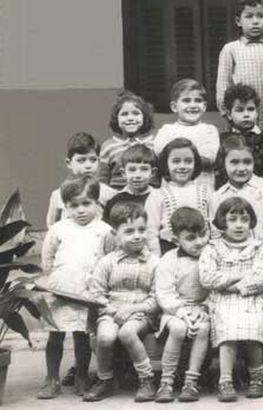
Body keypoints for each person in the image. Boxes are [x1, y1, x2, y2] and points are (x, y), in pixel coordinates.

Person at [37, 177, 115, 399]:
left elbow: (110, 259)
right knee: (55, 336)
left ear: (97, 203)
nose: (80, 210)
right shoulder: (58, 229)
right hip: (60, 290)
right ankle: (52, 378)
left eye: (86, 203)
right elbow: (47, 258)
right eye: (74, 205)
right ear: (65, 206)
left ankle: (82, 376)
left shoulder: (104, 230)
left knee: (82, 336)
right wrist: (53, 281)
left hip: (86, 292)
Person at [83, 202, 160, 402]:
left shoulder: (154, 262)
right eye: (129, 231)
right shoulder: (107, 262)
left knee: (127, 332)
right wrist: (111, 310)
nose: (137, 236)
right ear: (115, 234)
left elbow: (157, 297)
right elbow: (96, 293)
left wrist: (133, 309)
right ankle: (106, 380)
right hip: (111, 312)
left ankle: (147, 379)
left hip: (142, 314)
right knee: (105, 337)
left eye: (141, 230)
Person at [199, 197, 263, 402]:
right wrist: (237, 277)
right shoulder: (212, 248)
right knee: (229, 329)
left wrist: (234, 286)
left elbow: (262, 277)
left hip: (251, 298)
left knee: (254, 326)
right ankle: (225, 380)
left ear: (251, 222)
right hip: (222, 300)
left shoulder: (259, 247)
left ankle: (256, 378)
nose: (239, 225)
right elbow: (207, 277)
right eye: (232, 220)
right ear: (222, 221)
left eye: (244, 219)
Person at [153, 207, 210, 403]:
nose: (199, 241)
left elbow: (217, 286)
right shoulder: (169, 260)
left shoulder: (212, 255)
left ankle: (191, 382)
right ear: (176, 240)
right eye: (191, 238)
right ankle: (166, 382)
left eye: (202, 234)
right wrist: (183, 313)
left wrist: (204, 307)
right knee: (178, 328)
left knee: (203, 329)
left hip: (202, 309)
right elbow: (164, 293)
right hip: (174, 310)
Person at [216, 0, 263, 131]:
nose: (255, 21)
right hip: (241, 118)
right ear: (238, 21)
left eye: (260, 16)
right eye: (249, 16)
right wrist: (228, 115)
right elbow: (223, 87)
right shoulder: (231, 49)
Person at [212, 134, 263, 243]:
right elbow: (216, 234)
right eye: (234, 162)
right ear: (223, 163)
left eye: (247, 162)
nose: (241, 168)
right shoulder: (218, 196)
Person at [145, 138, 210, 255]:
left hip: (202, 249)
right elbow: (151, 232)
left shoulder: (206, 192)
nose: (182, 166)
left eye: (188, 161)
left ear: (195, 164)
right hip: (168, 250)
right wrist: (157, 258)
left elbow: (214, 227)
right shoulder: (157, 195)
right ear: (166, 164)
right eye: (176, 161)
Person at [153, 79, 220, 191]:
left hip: (202, 188)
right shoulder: (167, 130)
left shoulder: (209, 130)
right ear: (174, 107)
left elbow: (210, 158)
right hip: (172, 189)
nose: (193, 105)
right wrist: (193, 155)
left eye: (198, 101)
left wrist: (176, 155)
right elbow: (162, 155)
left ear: (204, 106)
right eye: (186, 100)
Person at [45, 132, 117, 226]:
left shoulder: (108, 193)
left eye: (93, 160)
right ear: (69, 163)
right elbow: (52, 225)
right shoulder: (58, 195)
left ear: (99, 161)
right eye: (81, 160)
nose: (88, 165)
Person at [218, 83, 263, 184]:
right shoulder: (224, 139)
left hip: (262, 187)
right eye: (240, 110)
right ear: (229, 114)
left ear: (257, 112)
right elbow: (221, 168)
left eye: (250, 109)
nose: (246, 114)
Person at [98, 91, 156, 189]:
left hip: (150, 194)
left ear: (145, 117)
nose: (130, 118)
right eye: (124, 114)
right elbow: (102, 178)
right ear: (116, 118)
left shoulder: (154, 143)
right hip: (117, 195)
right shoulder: (108, 146)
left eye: (136, 113)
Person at [102, 144, 159, 221]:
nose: (138, 175)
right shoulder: (115, 201)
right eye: (132, 170)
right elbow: (107, 226)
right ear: (123, 173)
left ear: (153, 173)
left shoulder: (158, 198)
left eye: (144, 169)